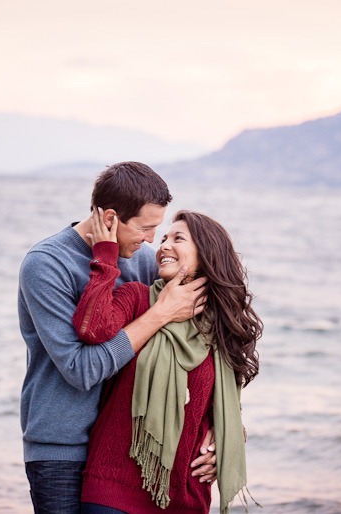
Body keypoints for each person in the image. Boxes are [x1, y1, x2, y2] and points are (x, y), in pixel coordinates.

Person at [18, 162, 216, 514]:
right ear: (110, 219)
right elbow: (82, 371)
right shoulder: (46, 265)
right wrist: (160, 314)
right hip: (63, 449)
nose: (153, 241)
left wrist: (220, 426)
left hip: (123, 452)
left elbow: (198, 346)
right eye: (146, 228)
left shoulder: (141, 261)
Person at [73, 207, 263, 514]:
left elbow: (222, 409)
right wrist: (106, 257)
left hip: (185, 496)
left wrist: (223, 444)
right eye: (163, 238)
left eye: (178, 238)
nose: (163, 245)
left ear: (207, 254)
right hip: (112, 489)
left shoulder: (220, 328)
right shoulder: (137, 298)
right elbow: (91, 328)